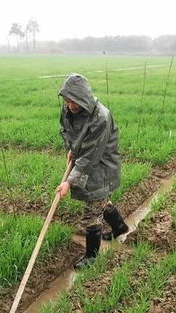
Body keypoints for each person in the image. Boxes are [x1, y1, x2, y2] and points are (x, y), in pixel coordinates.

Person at [55, 73, 129, 269]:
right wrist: (72, 148)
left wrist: (68, 182)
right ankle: (119, 227)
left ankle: (92, 257)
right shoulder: (68, 109)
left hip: (102, 166)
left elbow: (89, 158)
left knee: (91, 211)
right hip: (87, 159)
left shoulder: (100, 118)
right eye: (67, 101)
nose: (69, 105)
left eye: (74, 102)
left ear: (84, 98)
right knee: (100, 201)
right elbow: (67, 130)